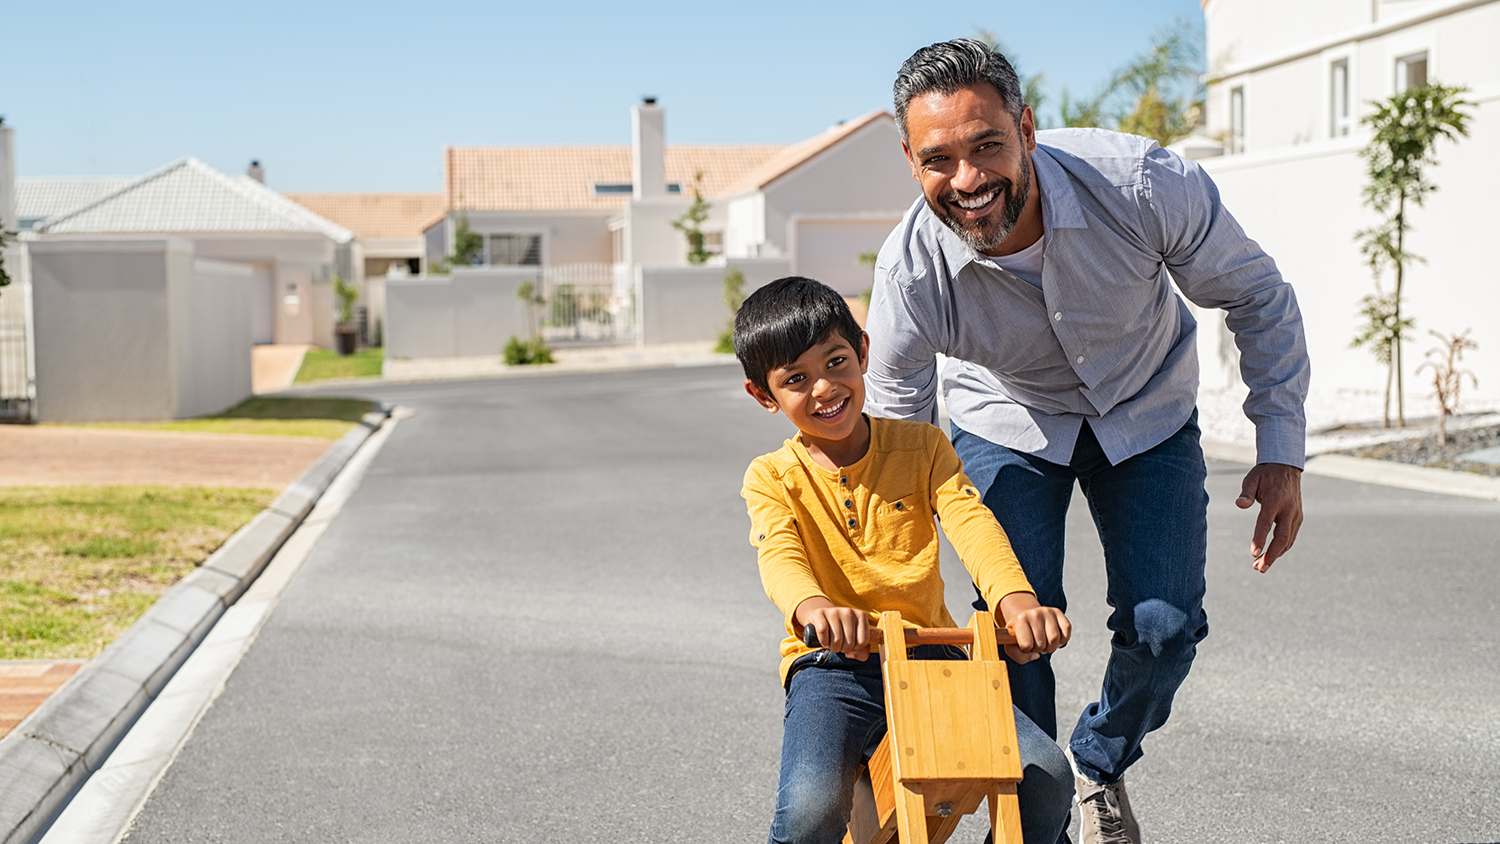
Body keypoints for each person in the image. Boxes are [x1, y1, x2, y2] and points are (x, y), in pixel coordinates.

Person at [864, 40, 1311, 844]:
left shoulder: (1139, 184)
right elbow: (894, 435)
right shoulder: (910, 274)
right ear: (909, 160)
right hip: (1005, 420)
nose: (966, 180)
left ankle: (1098, 760)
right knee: (1013, 626)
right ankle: (1037, 819)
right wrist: (891, 582)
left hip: (1145, 405)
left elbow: (1256, 293)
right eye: (938, 160)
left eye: (987, 146)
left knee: (1166, 626)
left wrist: (1280, 448)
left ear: (1027, 128)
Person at [736, 277, 1075, 844]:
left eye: (836, 361)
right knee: (811, 810)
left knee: (1046, 777)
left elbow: (972, 522)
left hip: (930, 654)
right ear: (764, 396)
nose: (824, 388)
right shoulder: (771, 477)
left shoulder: (924, 448)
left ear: (863, 352)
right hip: (833, 667)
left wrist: (1015, 601)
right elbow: (779, 552)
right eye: (795, 379)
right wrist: (812, 605)